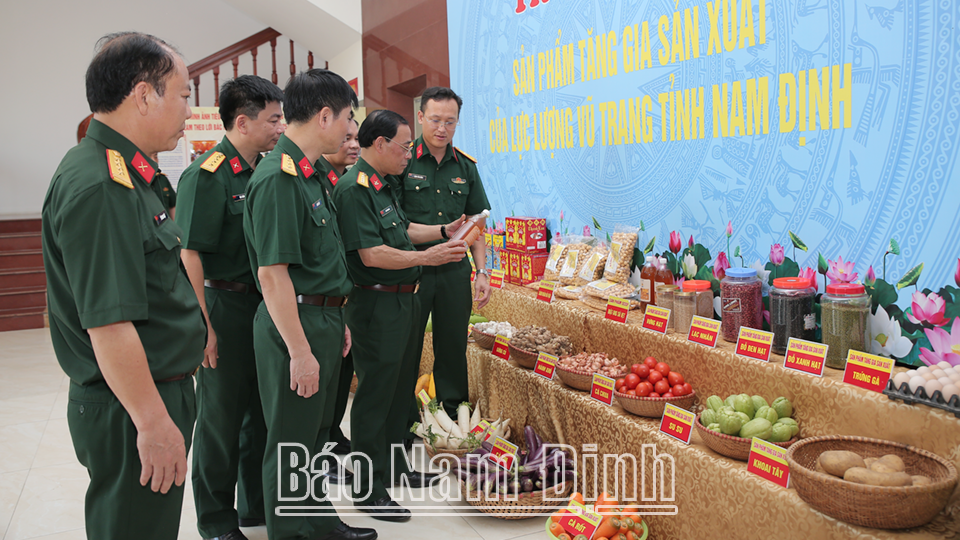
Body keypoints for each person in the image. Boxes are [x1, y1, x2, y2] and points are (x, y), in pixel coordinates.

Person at [41, 32, 204, 540]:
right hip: (133, 406)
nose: (188, 108)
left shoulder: (129, 172)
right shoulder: (103, 186)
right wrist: (154, 426)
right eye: (182, 94)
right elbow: (109, 324)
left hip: (145, 394)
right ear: (143, 94)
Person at [242, 69, 376, 540]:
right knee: (289, 443)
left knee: (314, 435)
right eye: (346, 119)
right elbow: (272, 275)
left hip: (320, 316)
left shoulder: (310, 172)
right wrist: (299, 351)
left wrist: (334, 315)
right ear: (324, 116)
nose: (349, 130)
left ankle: (316, 521)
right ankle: (290, 531)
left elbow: (319, 258)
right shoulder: (279, 178)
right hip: (292, 325)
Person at [333, 110, 466, 521]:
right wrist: (427, 258)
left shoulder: (381, 185)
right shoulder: (354, 190)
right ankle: (367, 487)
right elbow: (371, 253)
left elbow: (403, 229)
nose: (409, 154)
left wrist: (444, 231)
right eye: (404, 146)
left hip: (403, 300)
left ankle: (394, 468)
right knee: (375, 396)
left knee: (398, 392)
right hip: (375, 304)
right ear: (379, 144)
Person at [175, 75, 285, 540]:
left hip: (261, 306)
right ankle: (216, 521)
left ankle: (253, 506)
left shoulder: (262, 170)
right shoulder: (206, 173)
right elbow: (190, 255)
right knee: (220, 420)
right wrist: (204, 326)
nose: (281, 127)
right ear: (243, 122)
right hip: (222, 304)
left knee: (258, 413)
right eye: (273, 119)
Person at [400, 87, 492, 421]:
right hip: (413, 269)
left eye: (450, 122)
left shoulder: (465, 167)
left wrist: (482, 272)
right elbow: (395, 222)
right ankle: (405, 416)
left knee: (452, 343)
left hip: (454, 269)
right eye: (436, 119)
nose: (442, 128)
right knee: (407, 344)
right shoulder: (403, 159)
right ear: (421, 117)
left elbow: (477, 222)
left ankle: (453, 414)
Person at [315, 118, 359, 463]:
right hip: (319, 297)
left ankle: (332, 432)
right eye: (346, 138)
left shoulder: (344, 181)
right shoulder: (316, 179)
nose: (353, 144)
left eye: (357, 138)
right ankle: (324, 440)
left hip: (345, 293)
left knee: (342, 373)